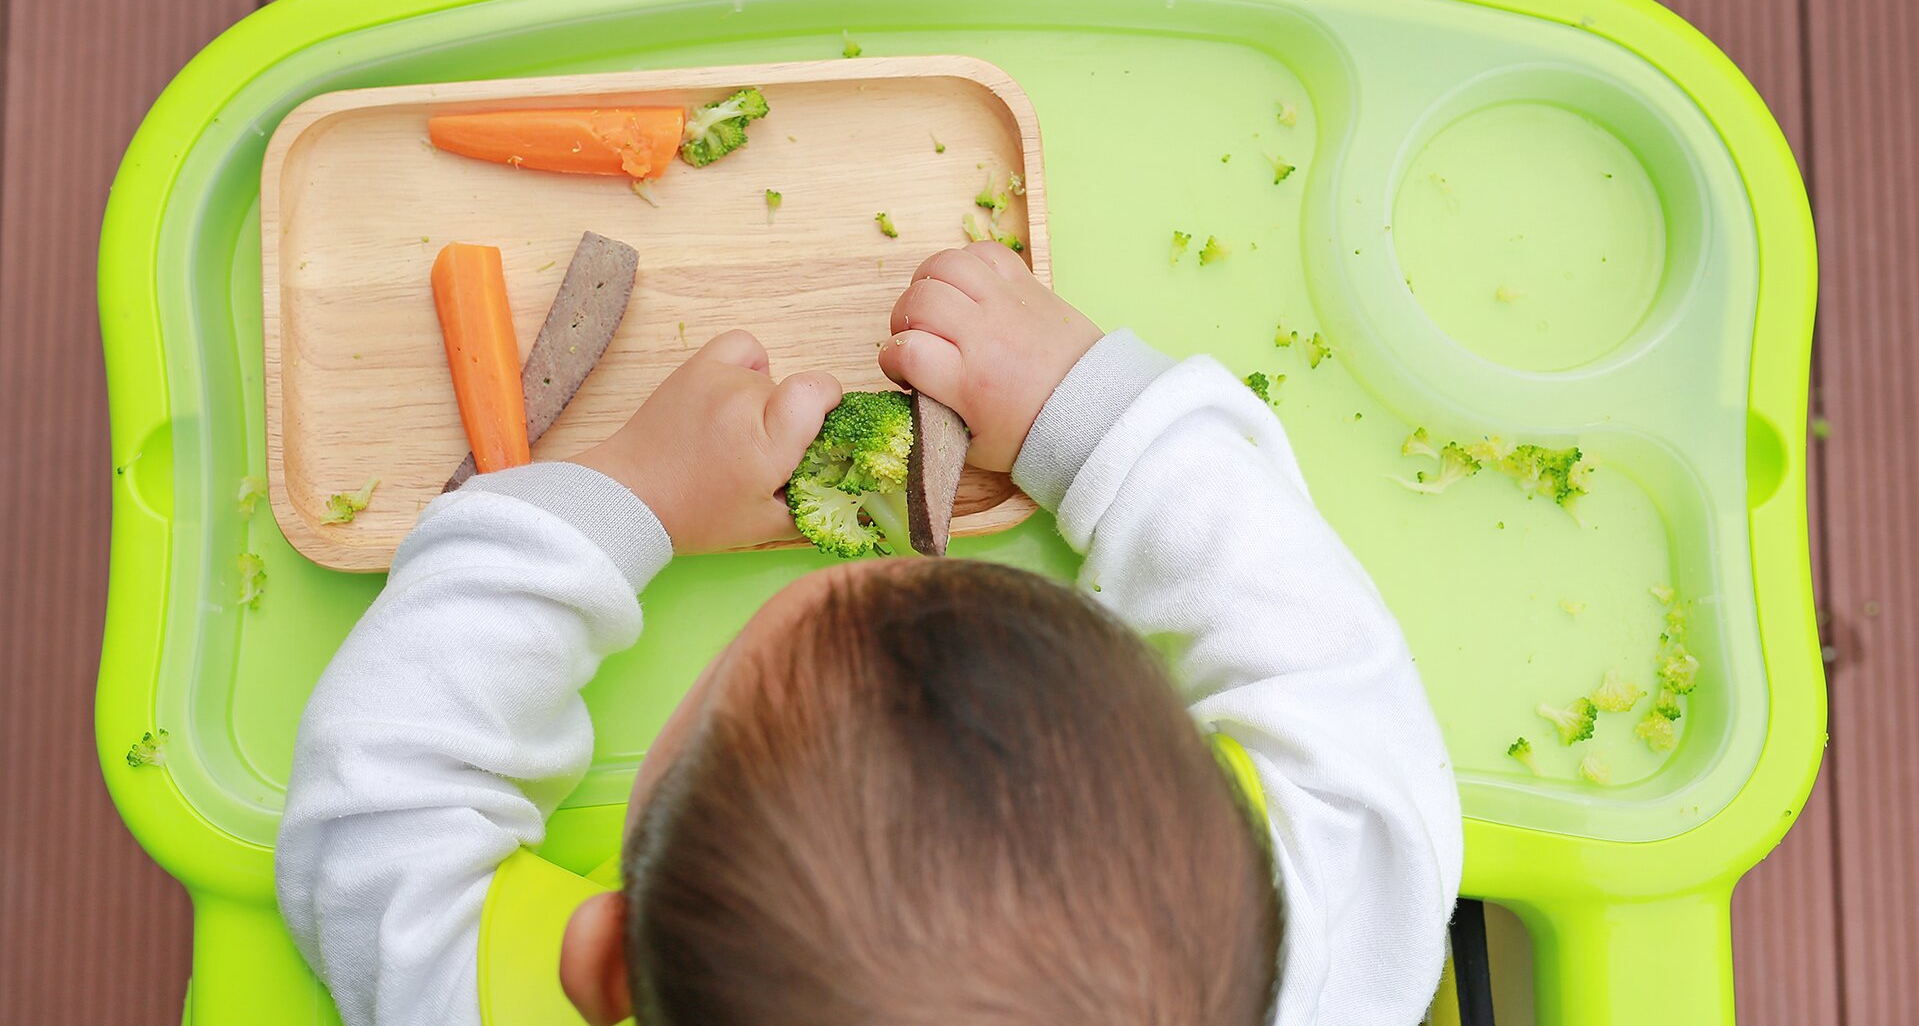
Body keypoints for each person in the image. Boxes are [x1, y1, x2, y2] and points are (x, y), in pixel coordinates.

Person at [276, 241, 1462, 1025]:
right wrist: (1087, 414)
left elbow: (378, 813)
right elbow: (1327, 672)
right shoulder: (1322, 956)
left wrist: (621, 502)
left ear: (603, 970)